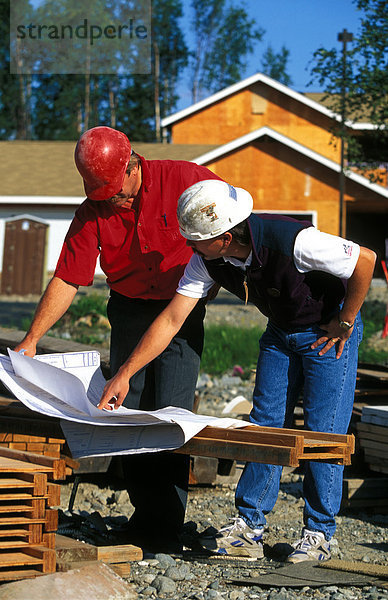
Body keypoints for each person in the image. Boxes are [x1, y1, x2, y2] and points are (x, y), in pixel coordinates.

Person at [98, 178, 376, 562]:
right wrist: (125, 372)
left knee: (322, 431)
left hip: (327, 333)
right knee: (262, 426)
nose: (190, 247)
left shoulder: (294, 241)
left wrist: (345, 321)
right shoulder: (208, 259)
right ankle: (249, 527)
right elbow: (172, 319)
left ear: (226, 237)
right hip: (281, 331)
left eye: (196, 239)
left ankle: (318, 532)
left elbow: (365, 259)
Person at [14, 126, 222, 554]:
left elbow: (230, 224)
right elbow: (69, 277)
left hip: (178, 310)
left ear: (133, 164)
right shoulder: (92, 211)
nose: (113, 200)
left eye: (117, 192)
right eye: (101, 193)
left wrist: (217, 279)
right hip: (128, 309)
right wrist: (31, 339)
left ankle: (165, 526)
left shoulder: (185, 179)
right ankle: (144, 516)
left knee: (170, 413)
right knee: (126, 410)